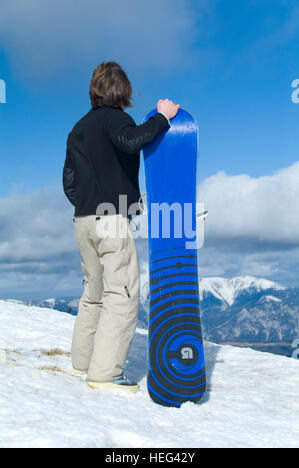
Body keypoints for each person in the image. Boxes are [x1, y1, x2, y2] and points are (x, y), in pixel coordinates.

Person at [63, 61, 180, 393]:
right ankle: (104, 374)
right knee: (123, 292)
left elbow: (68, 181)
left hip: (83, 222)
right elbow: (131, 141)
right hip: (111, 220)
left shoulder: (78, 129)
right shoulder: (117, 119)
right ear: (123, 91)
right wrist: (162, 117)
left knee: (93, 293)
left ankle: (82, 364)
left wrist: (87, 204)